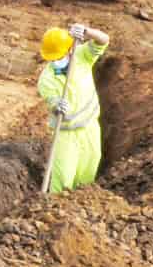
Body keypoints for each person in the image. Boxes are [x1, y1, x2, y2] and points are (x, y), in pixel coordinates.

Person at [37, 23, 109, 193]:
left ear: (69, 51)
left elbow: (104, 40)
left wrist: (88, 32)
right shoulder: (46, 80)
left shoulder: (82, 56)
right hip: (66, 135)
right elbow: (51, 101)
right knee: (63, 181)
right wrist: (56, 106)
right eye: (52, 59)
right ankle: (53, 211)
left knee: (87, 177)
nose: (55, 61)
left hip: (90, 129)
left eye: (58, 57)